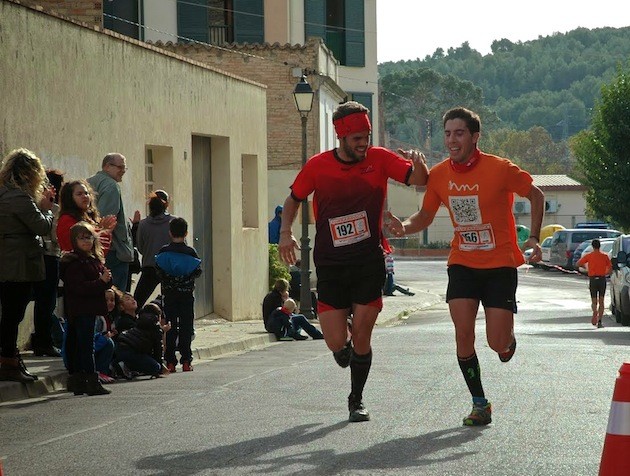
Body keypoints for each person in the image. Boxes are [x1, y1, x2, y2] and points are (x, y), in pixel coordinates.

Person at [386, 107, 544, 427]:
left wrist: (536, 239)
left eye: (459, 133)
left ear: (474, 137)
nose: (451, 140)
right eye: (447, 134)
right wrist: (404, 226)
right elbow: (425, 216)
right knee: (463, 334)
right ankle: (480, 403)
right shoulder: (440, 175)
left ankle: (507, 342)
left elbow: (537, 195)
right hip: (462, 263)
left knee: (495, 342)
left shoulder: (500, 169)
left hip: (500, 263)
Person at [278, 100, 429, 422]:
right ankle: (343, 341)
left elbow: (419, 180)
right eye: (358, 137)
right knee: (337, 346)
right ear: (341, 137)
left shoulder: (378, 159)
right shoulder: (318, 166)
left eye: (367, 135)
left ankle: (356, 400)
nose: (364, 143)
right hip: (331, 264)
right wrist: (285, 233)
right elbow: (294, 199)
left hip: (368, 262)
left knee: (362, 337)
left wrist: (419, 164)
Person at [0, 148, 55, 383]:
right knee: (14, 313)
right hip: (18, 263)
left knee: (10, 312)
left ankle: (9, 358)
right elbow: (41, 227)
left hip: (9, 259)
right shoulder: (19, 198)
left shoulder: (4, 194)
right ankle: (8, 361)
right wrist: (47, 209)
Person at [60, 221, 113, 396]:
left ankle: (81, 380)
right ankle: (89, 380)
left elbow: (104, 280)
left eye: (89, 237)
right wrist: (101, 282)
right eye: (81, 238)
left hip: (90, 308)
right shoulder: (74, 262)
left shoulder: (93, 259)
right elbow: (79, 287)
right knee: (84, 345)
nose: (86, 241)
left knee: (83, 344)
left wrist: (106, 279)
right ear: (74, 240)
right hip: (80, 309)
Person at [155, 217, 202, 373]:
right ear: (186, 233)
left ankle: (170, 361)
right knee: (186, 326)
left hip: (169, 295)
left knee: (170, 326)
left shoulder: (163, 252)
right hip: (186, 295)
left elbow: (158, 272)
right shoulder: (191, 252)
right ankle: (186, 360)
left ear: (170, 232)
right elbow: (197, 271)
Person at [31, 168, 65, 357]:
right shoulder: (53, 209)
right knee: (45, 302)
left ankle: (43, 340)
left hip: (42, 256)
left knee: (44, 302)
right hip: (48, 256)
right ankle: (43, 341)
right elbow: (55, 236)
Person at [88, 153, 134, 291]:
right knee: (115, 296)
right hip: (113, 249)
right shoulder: (111, 186)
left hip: (92, 248)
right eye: (120, 167)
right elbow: (107, 220)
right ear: (107, 166)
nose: (123, 171)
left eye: (124, 168)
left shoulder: (88, 182)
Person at [134, 190, 175, 308]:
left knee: (138, 301)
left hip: (149, 266)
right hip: (169, 268)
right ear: (166, 204)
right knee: (170, 303)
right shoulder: (173, 222)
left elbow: (141, 248)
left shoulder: (143, 224)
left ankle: (131, 322)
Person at [56, 179, 116, 254]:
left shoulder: (89, 218)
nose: (85, 196)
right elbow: (82, 249)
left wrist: (103, 230)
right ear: (70, 198)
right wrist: (102, 232)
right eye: (79, 194)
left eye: (86, 193)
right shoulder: (66, 220)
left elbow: (100, 253)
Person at [116, 303, 168, 378]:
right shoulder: (156, 327)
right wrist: (159, 370)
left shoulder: (139, 321)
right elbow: (158, 350)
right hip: (131, 351)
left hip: (121, 346)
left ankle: (120, 364)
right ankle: (126, 366)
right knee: (156, 366)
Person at [576, 239, 612, 328]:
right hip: (601, 279)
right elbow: (610, 268)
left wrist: (586, 268)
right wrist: (606, 273)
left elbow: (578, 264)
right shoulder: (605, 256)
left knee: (594, 300)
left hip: (593, 279)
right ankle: (600, 321)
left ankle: (594, 311)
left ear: (592, 246)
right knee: (602, 300)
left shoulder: (589, 256)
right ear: (600, 246)